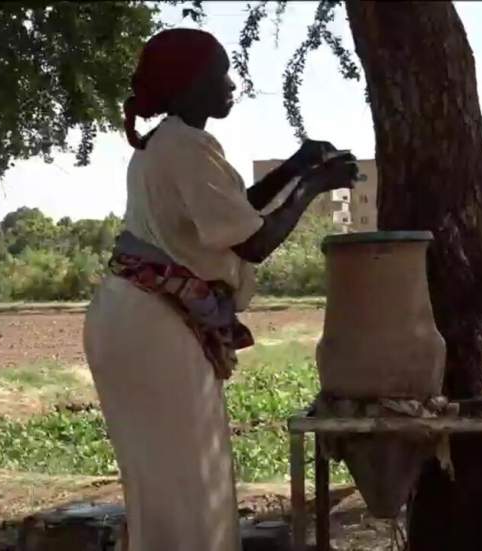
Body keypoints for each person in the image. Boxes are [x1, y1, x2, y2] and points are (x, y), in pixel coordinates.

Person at [82, 28, 357, 551]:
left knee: (164, 483)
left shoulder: (168, 144)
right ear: (189, 85)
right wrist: (314, 186)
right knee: (189, 482)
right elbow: (253, 242)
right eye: (222, 74)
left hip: (135, 318)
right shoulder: (186, 146)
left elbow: (230, 213)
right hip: (153, 328)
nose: (233, 84)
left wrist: (295, 167)